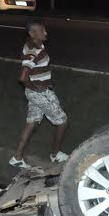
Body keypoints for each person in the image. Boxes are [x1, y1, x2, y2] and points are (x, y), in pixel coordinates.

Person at [9, 21, 68, 169]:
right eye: (42, 31)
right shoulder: (32, 51)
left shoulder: (36, 45)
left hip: (34, 93)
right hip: (41, 93)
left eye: (45, 30)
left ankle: (17, 158)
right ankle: (55, 155)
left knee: (32, 123)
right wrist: (36, 88)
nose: (46, 33)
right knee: (62, 122)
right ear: (32, 33)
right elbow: (22, 77)